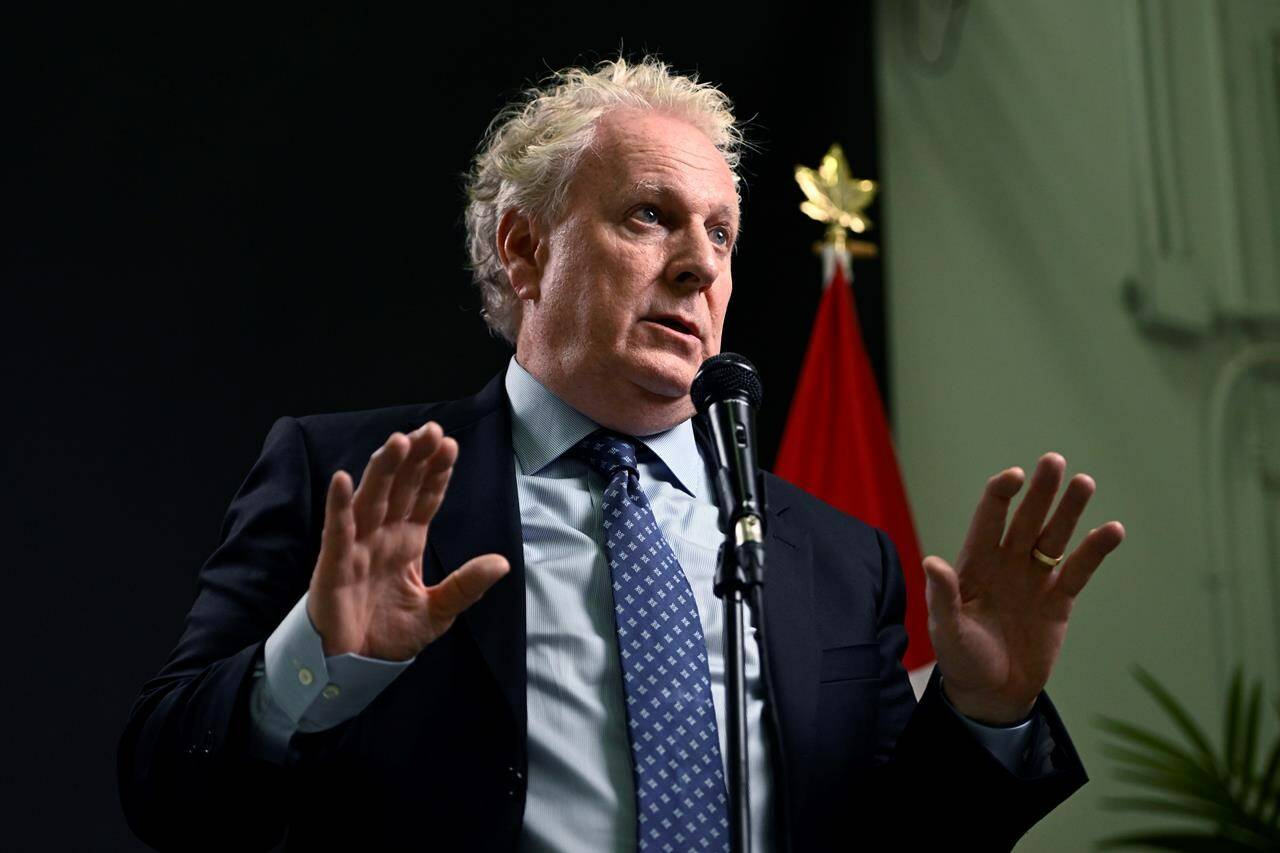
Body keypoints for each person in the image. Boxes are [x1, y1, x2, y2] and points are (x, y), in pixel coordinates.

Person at [118, 57, 1125, 852]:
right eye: (649, 216)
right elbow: (168, 792)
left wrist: (983, 712)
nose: (697, 263)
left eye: (721, 234)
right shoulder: (346, 481)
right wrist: (316, 663)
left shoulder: (831, 555)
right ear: (524, 248)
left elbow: (896, 840)